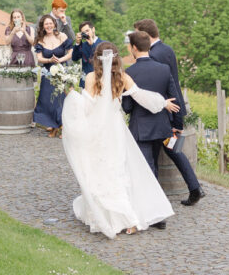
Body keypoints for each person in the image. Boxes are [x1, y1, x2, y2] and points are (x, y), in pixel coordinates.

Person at [61, 43, 177, 238]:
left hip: (98, 130)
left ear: (96, 58)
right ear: (116, 58)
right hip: (116, 129)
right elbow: (141, 96)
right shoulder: (122, 77)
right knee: (119, 170)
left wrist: (71, 96)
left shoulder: (91, 78)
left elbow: (87, 108)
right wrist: (163, 102)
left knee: (99, 170)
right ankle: (129, 219)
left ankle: (108, 216)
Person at [134, 18, 204, 206]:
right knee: (174, 150)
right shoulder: (168, 50)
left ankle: (156, 200)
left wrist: (173, 121)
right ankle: (194, 187)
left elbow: (156, 90)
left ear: (146, 36)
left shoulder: (153, 55)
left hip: (162, 113)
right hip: (173, 110)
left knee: (156, 155)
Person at [121, 31, 182, 229]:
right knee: (152, 167)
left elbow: (127, 107)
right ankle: (155, 213)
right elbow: (175, 100)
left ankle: (155, 215)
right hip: (161, 127)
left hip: (141, 128)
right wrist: (176, 124)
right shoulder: (164, 69)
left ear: (134, 48)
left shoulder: (130, 73)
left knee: (146, 170)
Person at [33, 14, 73, 138]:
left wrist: (60, 60)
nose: (49, 26)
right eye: (46, 24)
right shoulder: (40, 40)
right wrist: (49, 60)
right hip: (48, 72)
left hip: (61, 71)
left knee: (59, 99)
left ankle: (62, 126)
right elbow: (39, 57)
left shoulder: (62, 36)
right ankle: (54, 126)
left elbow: (71, 53)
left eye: (50, 23)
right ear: (43, 26)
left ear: (54, 24)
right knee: (46, 99)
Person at [72, 21, 104, 88]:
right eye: (84, 33)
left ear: (93, 29)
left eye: (87, 30)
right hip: (85, 83)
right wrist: (77, 43)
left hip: (100, 81)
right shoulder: (82, 45)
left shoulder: (104, 44)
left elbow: (101, 58)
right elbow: (74, 58)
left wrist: (93, 44)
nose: (86, 33)